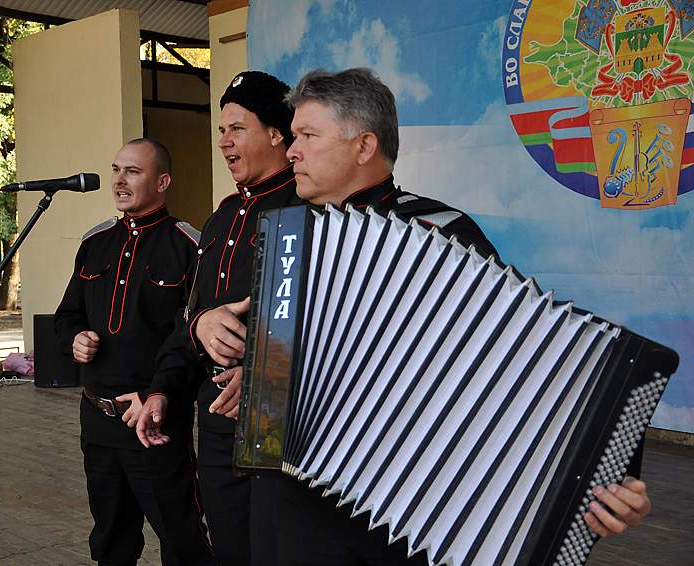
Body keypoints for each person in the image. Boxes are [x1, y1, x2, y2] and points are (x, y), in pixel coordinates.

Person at [273, 67, 653, 565]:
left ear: (363, 146)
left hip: (404, 505)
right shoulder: (287, 239)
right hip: (296, 496)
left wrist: (613, 473)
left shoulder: (440, 231)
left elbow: (538, 351)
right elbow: (269, 346)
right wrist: (223, 334)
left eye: (306, 135)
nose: (290, 151)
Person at [136, 72, 302, 565]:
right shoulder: (223, 216)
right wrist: (163, 387)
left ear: (277, 133)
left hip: (277, 425)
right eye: (221, 130)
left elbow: (326, 324)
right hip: (215, 424)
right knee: (228, 548)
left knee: (275, 551)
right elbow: (189, 317)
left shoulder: (307, 209)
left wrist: (260, 372)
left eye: (238, 128)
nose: (224, 141)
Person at [53, 138, 213, 566]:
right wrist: (76, 338)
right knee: (110, 538)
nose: (119, 181)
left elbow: (196, 340)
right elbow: (66, 316)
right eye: (116, 170)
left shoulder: (188, 246)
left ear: (163, 182)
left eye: (133, 172)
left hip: (155, 420)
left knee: (181, 538)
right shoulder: (95, 242)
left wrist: (162, 395)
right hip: (97, 419)